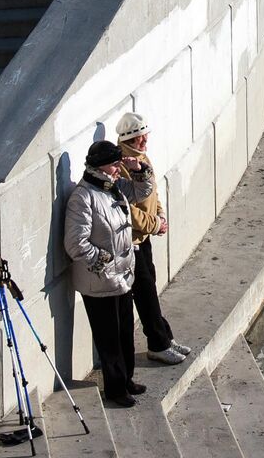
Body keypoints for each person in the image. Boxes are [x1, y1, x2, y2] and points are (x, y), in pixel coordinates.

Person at [64, 138, 153, 408]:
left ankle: (126, 380)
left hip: (122, 277)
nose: (118, 169)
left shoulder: (113, 188)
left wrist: (138, 169)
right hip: (100, 281)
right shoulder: (83, 197)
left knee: (125, 330)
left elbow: (141, 192)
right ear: (102, 167)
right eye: (115, 164)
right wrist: (103, 260)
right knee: (109, 338)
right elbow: (75, 244)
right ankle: (115, 389)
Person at [117, 113, 191, 365]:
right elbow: (127, 208)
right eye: (141, 137)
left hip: (143, 238)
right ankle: (158, 344)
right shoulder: (122, 164)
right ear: (131, 138)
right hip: (131, 242)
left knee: (150, 288)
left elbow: (151, 192)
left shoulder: (140, 159)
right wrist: (154, 223)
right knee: (145, 292)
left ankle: (164, 338)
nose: (145, 140)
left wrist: (159, 213)